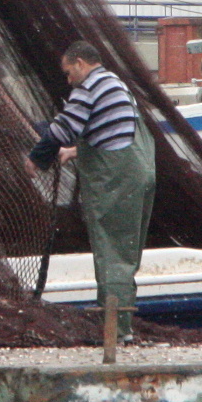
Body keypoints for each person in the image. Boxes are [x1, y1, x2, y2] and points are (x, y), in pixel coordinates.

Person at [38, 38, 153, 334]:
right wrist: (74, 151)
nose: (68, 80)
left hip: (116, 181)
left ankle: (116, 331)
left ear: (80, 63)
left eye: (68, 73)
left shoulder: (88, 87)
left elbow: (64, 128)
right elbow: (112, 132)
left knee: (111, 251)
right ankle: (122, 326)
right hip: (138, 174)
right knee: (126, 252)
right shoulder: (115, 83)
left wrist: (36, 159)